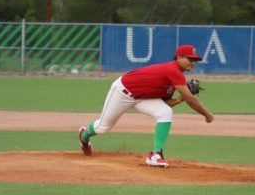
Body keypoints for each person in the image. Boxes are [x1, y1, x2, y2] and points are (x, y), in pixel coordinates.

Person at [77, 44, 214, 168]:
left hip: (142, 98)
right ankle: (84, 134)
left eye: (195, 60)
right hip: (122, 92)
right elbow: (191, 100)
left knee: (165, 112)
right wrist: (207, 114)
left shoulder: (176, 77)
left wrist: (180, 99)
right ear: (179, 57)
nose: (193, 63)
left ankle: (155, 155)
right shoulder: (173, 70)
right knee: (102, 128)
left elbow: (165, 103)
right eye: (190, 59)